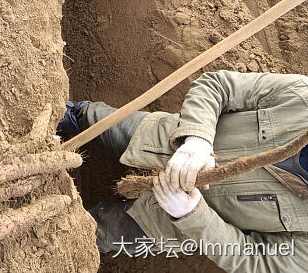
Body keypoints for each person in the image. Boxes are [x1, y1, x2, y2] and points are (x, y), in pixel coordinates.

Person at [59, 70, 308, 270]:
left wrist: (192, 215)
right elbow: (218, 85)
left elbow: (255, 261)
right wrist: (197, 140)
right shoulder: (303, 98)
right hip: (157, 140)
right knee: (85, 118)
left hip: (169, 225)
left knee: (82, 236)